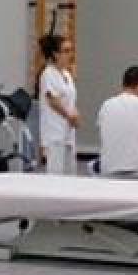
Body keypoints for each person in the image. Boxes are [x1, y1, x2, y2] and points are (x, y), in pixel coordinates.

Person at [37, 33, 79, 175]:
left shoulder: (67, 74)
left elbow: (70, 100)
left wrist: (75, 114)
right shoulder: (48, 74)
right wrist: (69, 116)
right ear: (55, 54)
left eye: (71, 50)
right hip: (54, 131)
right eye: (66, 51)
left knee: (70, 173)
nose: (70, 54)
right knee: (55, 174)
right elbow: (53, 100)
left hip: (68, 132)